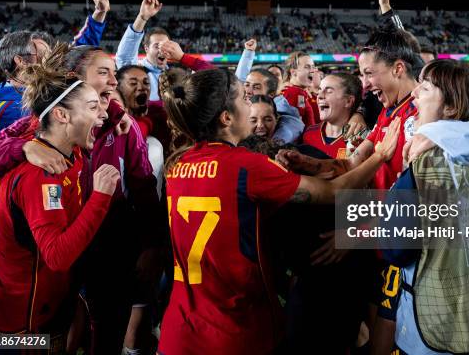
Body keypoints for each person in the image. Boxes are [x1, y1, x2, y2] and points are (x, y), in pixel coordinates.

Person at [157, 68, 401, 355]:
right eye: (244, 100)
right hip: (231, 331)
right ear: (226, 118)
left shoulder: (178, 164)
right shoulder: (245, 166)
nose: (249, 106)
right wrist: (382, 155)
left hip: (179, 330)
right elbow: (334, 192)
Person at [0, 58, 119, 349]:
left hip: (45, 305)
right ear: (61, 116)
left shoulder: (68, 146)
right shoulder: (42, 174)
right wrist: (101, 198)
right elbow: (57, 255)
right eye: (93, 107)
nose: (103, 114)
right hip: (20, 323)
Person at [383, 59, 469, 355]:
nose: (414, 93)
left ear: (451, 108)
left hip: (435, 320)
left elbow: (396, 249)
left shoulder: (423, 165)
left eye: (425, 88)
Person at [302, 73, 364, 159]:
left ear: (348, 101)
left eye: (329, 91)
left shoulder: (361, 140)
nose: (319, 96)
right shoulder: (309, 134)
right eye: (319, 90)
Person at [280, 51, 317, 127]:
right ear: (294, 72)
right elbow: (295, 127)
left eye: (313, 67)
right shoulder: (296, 92)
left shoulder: (296, 91)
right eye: (307, 67)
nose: (312, 70)